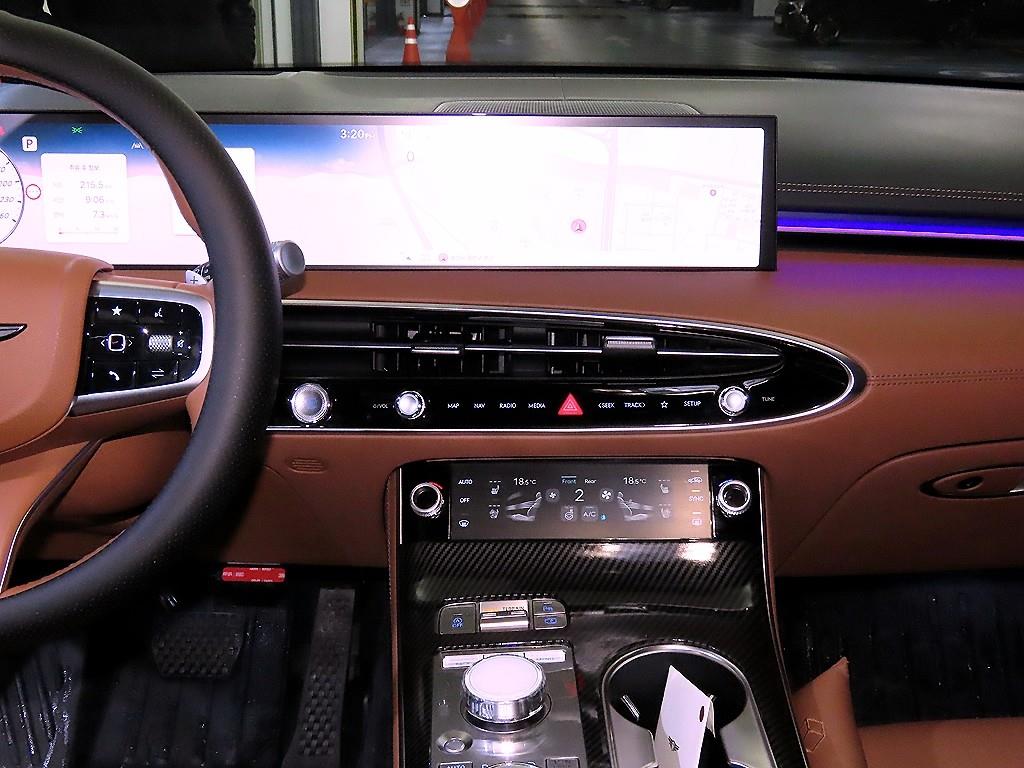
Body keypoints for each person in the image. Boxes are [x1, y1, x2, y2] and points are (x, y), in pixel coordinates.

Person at [0, 0, 258, 70]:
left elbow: (238, 7)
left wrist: (236, 54)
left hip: (212, 75)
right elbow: (15, 15)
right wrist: (72, 55)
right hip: (98, 81)